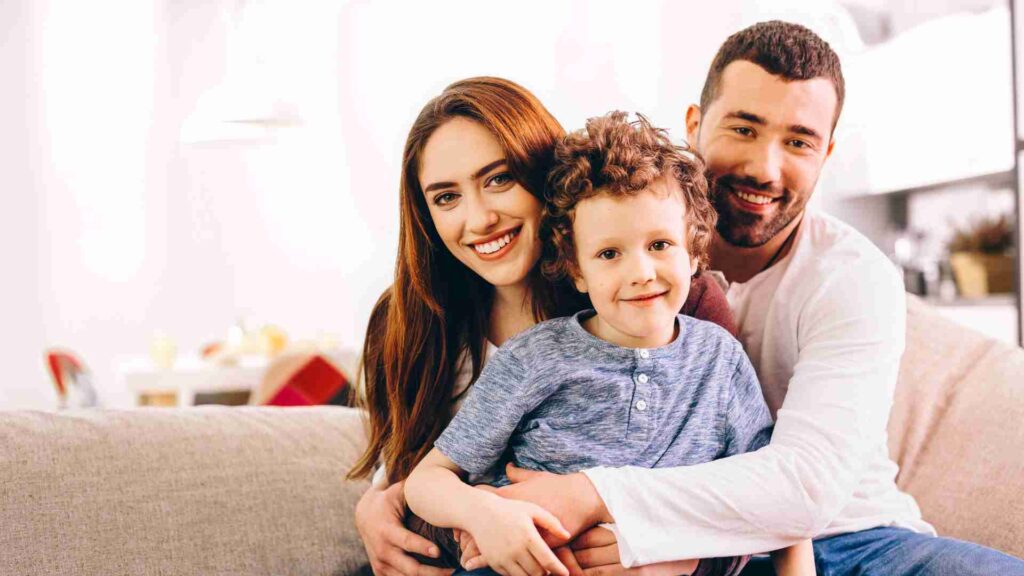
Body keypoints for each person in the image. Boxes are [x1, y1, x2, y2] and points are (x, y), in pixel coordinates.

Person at [455, 21, 1024, 576]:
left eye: (798, 141)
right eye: (744, 129)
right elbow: (479, 429)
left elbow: (805, 489)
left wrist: (603, 499)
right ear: (695, 124)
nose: (764, 167)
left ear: (826, 154)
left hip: (855, 537)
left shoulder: (852, 277)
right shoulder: (606, 255)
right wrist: (399, 495)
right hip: (673, 548)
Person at [348, 77, 735, 576]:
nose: (480, 218)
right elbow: (416, 470)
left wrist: (672, 547)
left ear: (544, 175)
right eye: (446, 198)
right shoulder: (407, 321)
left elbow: (750, 486)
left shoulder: (668, 302)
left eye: (499, 179)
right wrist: (381, 500)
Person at [404, 112, 814, 576]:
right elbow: (427, 481)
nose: (639, 272)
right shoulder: (533, 358)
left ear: (695, 249)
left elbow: (777, 504)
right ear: (576, 269)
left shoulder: (719, 360)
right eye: (608, 254)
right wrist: (486, 515)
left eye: (659, 244)